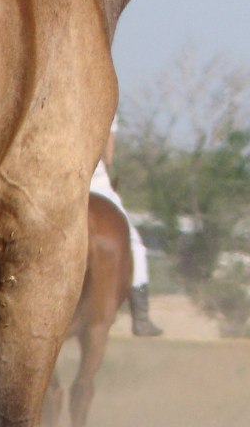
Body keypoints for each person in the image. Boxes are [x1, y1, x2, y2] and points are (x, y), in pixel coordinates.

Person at [90, 122, 164, 337]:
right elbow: (108, 155)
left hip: (50, 174)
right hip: (94, 178)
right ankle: (141, 318)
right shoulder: (101, 91)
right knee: (134, 245)